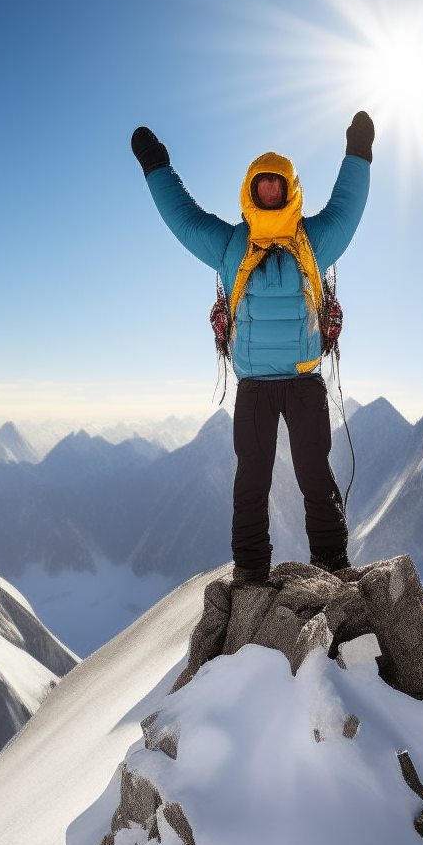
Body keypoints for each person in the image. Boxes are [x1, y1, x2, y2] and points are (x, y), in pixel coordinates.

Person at [131, 112, 374, 585]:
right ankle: (250, 571)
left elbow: (348, 208)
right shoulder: (233, 247)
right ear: (250, 190)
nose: (268, 193)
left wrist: (359, 152)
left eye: (275, 186)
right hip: (256, 388)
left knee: (313, 476)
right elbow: (183, 217)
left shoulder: (310, 241)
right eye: (261, 186)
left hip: (303, 382)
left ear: (289, 190)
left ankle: (332, 562)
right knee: (251, 482)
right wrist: (156, 165)